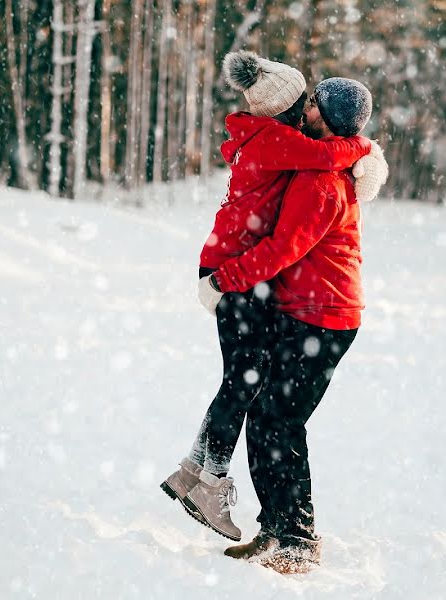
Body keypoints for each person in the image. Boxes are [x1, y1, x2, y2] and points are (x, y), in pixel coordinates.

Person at [160, 52, 386, 542]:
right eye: (302, 103)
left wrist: (363, 153)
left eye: (313, 105)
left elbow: (285, 244)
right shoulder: (289, 148)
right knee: (253, 394)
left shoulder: (308, 170)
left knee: (265, 409)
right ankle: (243, 506)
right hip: (257, 286)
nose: (305, 110)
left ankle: (277, 529)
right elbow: (334, 155)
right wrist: (364, 149)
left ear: (320, 118)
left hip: (304, 305)